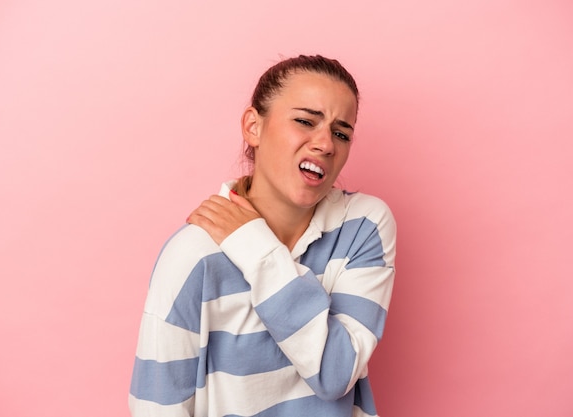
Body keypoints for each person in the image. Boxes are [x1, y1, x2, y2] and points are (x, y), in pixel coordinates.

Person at [129, 54, 396, 417]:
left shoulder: (363, 225)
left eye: (340, 133)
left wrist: (256, 248)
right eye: (305, 121)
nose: (326, 144)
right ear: (253, 127)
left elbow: (335, 373)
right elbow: (156, 407)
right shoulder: (194, 255)